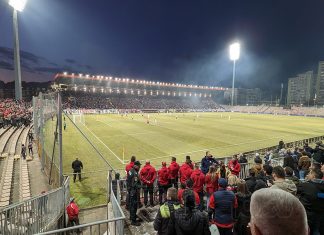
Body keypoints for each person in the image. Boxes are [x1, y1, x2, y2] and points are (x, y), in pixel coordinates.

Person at [297, 168, 324, 235]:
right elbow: (319, 195)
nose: (308, 175)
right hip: (321, 218)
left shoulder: (305, 186)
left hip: (308, 217)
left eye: (309, 173)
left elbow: (296, 190)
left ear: (313, 176)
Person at [127, 160, 142, 226]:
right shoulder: (135, 173)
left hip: (130, 190)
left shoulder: (130, 170)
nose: (139, 167)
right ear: (136, 166)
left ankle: (132, 216)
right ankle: (133, 221)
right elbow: (135, 184)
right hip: (134, 191)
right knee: (134, 205)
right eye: (139, 166)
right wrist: (141, 186)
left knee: (131, 204)